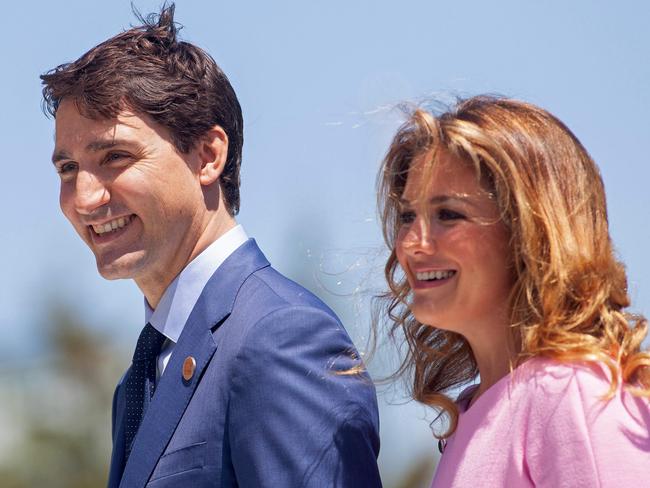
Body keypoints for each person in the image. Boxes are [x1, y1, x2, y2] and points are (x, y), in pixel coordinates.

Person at [41, 5, 381, 487]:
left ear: (208, 156)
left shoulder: (280, 338)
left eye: (115, 156)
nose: (84, 198)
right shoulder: (136, 384)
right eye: (68, 169)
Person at [376, 95, 650, 486]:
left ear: (529, 232)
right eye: (408, 216)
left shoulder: (571, 395)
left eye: (448, 215)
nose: (412, 244)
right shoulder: (474, 411)